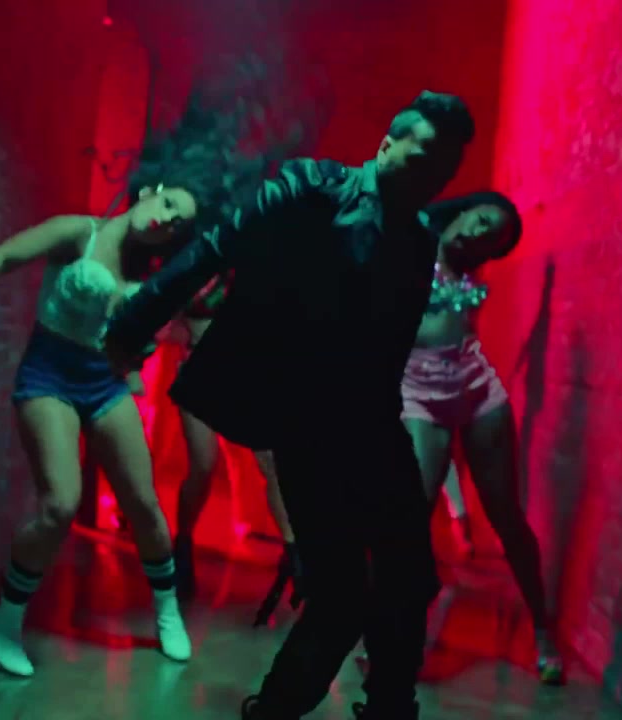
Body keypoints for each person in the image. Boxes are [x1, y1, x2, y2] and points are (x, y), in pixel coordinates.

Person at [105, 91, 476, 720]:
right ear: (386, 145)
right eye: (422, 160)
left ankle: (389, 707)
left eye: (444, 171)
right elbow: (217, 247)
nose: (431, 179)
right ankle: (273, 711)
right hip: (308, 419)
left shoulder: (419, 239)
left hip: (374, 422)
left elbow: (390, 345)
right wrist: (132, 324)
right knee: (342, 597)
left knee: (411, 580)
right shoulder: (312, 186)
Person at [0, 81, 263, 676]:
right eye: (169, 205)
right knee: (60, 504)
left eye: (177, 224)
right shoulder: (78, 233)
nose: (165, 220)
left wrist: (137, 360)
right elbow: (6, 255)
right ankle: (4, 621)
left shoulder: (154, 282)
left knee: (144, 505)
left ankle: (167, 611)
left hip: (103, 384)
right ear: (151, 191)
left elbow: (155, 340)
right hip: (48, 375)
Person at [365, 191, 566, 685]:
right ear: (464, 211)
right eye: (482, 219)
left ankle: (543, 630)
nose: (481, 232)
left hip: (477, 392)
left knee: (506, 517)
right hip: (418, 394)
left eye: (493, 237)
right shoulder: (411, 242)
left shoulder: (468, 273)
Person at [169, 276, 302, 602]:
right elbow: (165, 322)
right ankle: (182, 544)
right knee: (203, 464)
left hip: (247, 369)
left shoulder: (249, 263)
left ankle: (294, 555)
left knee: (270, 460)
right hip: (199, 369)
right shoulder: (193, 263)